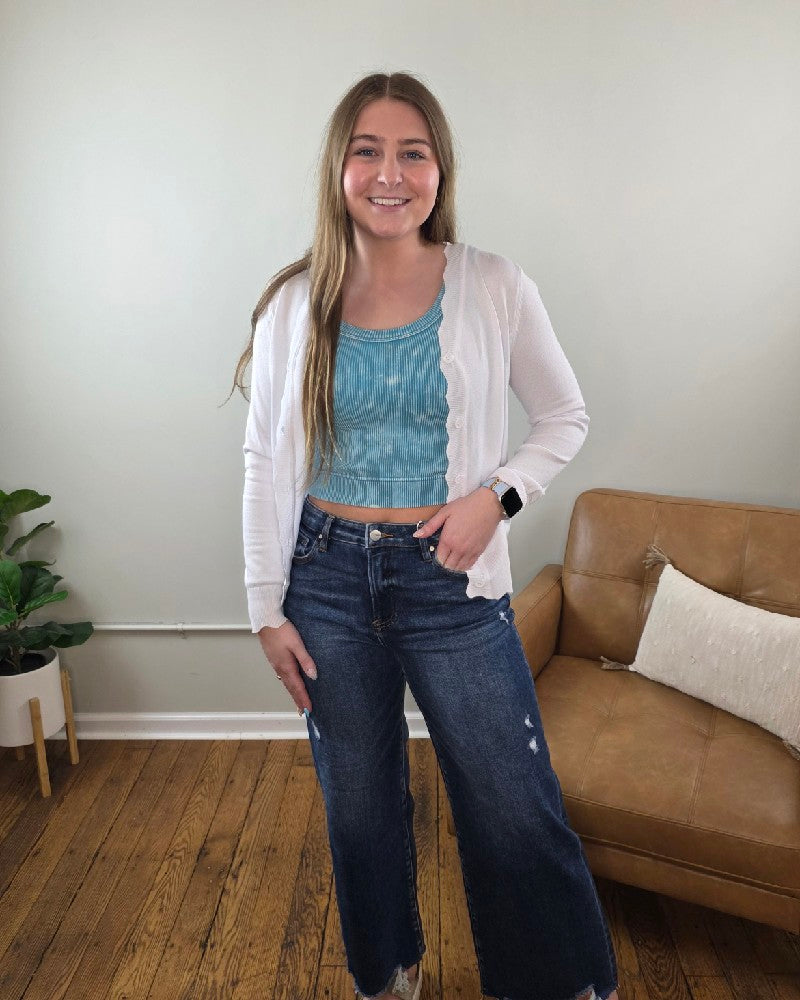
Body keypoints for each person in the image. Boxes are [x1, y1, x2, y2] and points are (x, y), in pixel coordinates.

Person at [232, 71, 619, 1000]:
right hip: (324, 581)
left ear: (440, 169)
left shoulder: (493, 284)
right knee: (360, 809)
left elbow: (564, 417)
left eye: (413, 152)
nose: (390, 174)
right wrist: (264, 609)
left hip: (454, 584)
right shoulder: (296, 301)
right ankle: (389, 973)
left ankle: (562, 985)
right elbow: (265, 458)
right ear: (338, 167)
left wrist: (496, 497)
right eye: (367, 151)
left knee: (513, 807)